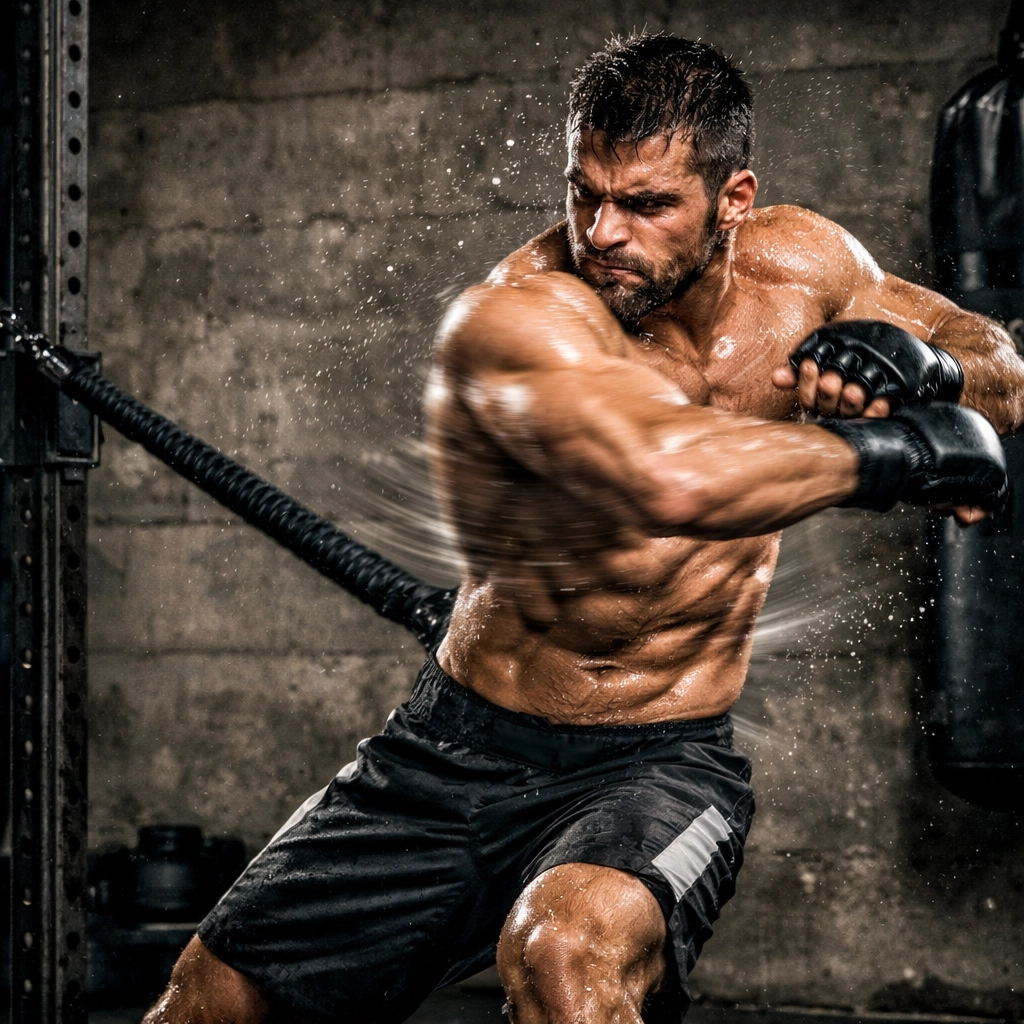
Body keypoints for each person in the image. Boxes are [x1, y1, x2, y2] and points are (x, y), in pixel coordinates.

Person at [144, 32, 1024, 1024]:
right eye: (584, 193)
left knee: (563, 954)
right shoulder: (520, 313)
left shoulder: (808, 268)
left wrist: (936, 373)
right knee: (205, 1001)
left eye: (646, 204)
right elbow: (663, 477)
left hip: (657, 760)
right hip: (449, 750)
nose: (604, 230)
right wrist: (899, 454)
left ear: (733, 199)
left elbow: (996, 360)